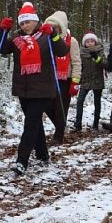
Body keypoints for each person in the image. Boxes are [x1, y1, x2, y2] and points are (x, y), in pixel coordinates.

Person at [0, 2, 69, 175]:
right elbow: (2, 49)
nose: (25, 25)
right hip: (24, 89)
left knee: (30, 124)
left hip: (43, 89)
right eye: (22, 23)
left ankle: (22, 161)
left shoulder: (46, 36)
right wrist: (2, 30)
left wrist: (54, 34)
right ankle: (43, 155)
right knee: (35, 123)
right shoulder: (16, 40)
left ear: (36, 21)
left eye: (28, 22)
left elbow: (62, 51)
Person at [42, 11, 81, 145]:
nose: (53, 29)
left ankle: (59, 136)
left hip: (66, 79)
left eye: (56, 27)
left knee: (61, 108)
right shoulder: (45, 40)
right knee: (46, 105)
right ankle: (60, 125)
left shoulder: (71, 41)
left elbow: (76, 62)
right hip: (49, 78)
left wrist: (75, 81)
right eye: (50, 27)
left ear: (61, 27)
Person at [74, 31, 107, 131]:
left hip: (97, 80)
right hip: (85, 80)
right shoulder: (81, 52)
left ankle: (95, 124)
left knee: (97, 102)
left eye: (92, 41)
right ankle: (78, 124)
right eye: (87, 41)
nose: (90, 43)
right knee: (80, 101)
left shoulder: (100, 51)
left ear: (95, 42)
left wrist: (96, 58)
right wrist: (77, 79)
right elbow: (78, 66)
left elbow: (105, 64)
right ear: (84, 43)